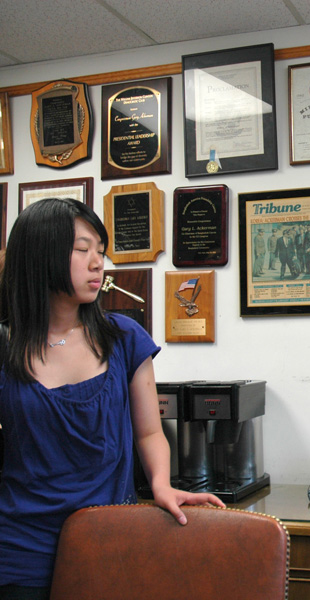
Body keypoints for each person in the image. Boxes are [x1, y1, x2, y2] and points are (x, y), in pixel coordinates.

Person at [0, 199, 225, 599]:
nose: (97, 263)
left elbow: (149, 433)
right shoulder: (6, 347)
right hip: (21, 549)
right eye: (82, 249)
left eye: (101, 252)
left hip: (108, 537)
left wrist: (162, 484)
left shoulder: (122, 338)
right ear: (40, 254)